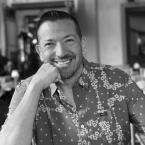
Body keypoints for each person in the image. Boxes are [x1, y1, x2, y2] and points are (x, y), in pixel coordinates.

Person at [0, 10, 145, 145]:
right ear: (39, 51)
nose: (61, 52)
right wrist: (35, 86)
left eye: (69, 40)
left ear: (82, 44)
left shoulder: (117, 80)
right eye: (50, 44)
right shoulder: (26, 89)